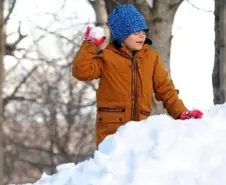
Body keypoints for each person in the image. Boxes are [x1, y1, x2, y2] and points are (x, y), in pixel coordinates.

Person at [71, 4, 203, 149]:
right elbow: (81, 71)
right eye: (136, 32)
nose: (142, 35)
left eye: (143, 31)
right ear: (122, 34)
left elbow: (165, 89)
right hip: (111, 130)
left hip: (140, 129)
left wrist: (181, 112)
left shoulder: (151, 58)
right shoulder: (107, 57)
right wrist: (90, 44)